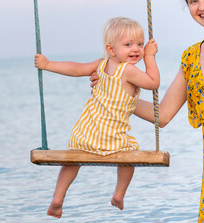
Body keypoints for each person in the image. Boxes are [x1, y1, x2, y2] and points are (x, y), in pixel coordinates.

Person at [90, 0, 204, 222]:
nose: (202, 6)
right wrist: (113, 92)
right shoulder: (191, 57)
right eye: (193, 1)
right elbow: (162, 115)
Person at [35, 17, 159, 218]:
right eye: (128, 44)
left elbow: (75, 69)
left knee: (72, 159)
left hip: (84, 133)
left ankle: (58, 198)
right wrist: (150, 57)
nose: (136, 49)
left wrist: (48, 64)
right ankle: (119, 194)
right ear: (112, 50)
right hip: (112, 138)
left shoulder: (101, 65)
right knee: (130, 155)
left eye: (140, 44)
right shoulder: (129, 70)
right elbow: (153, 82)